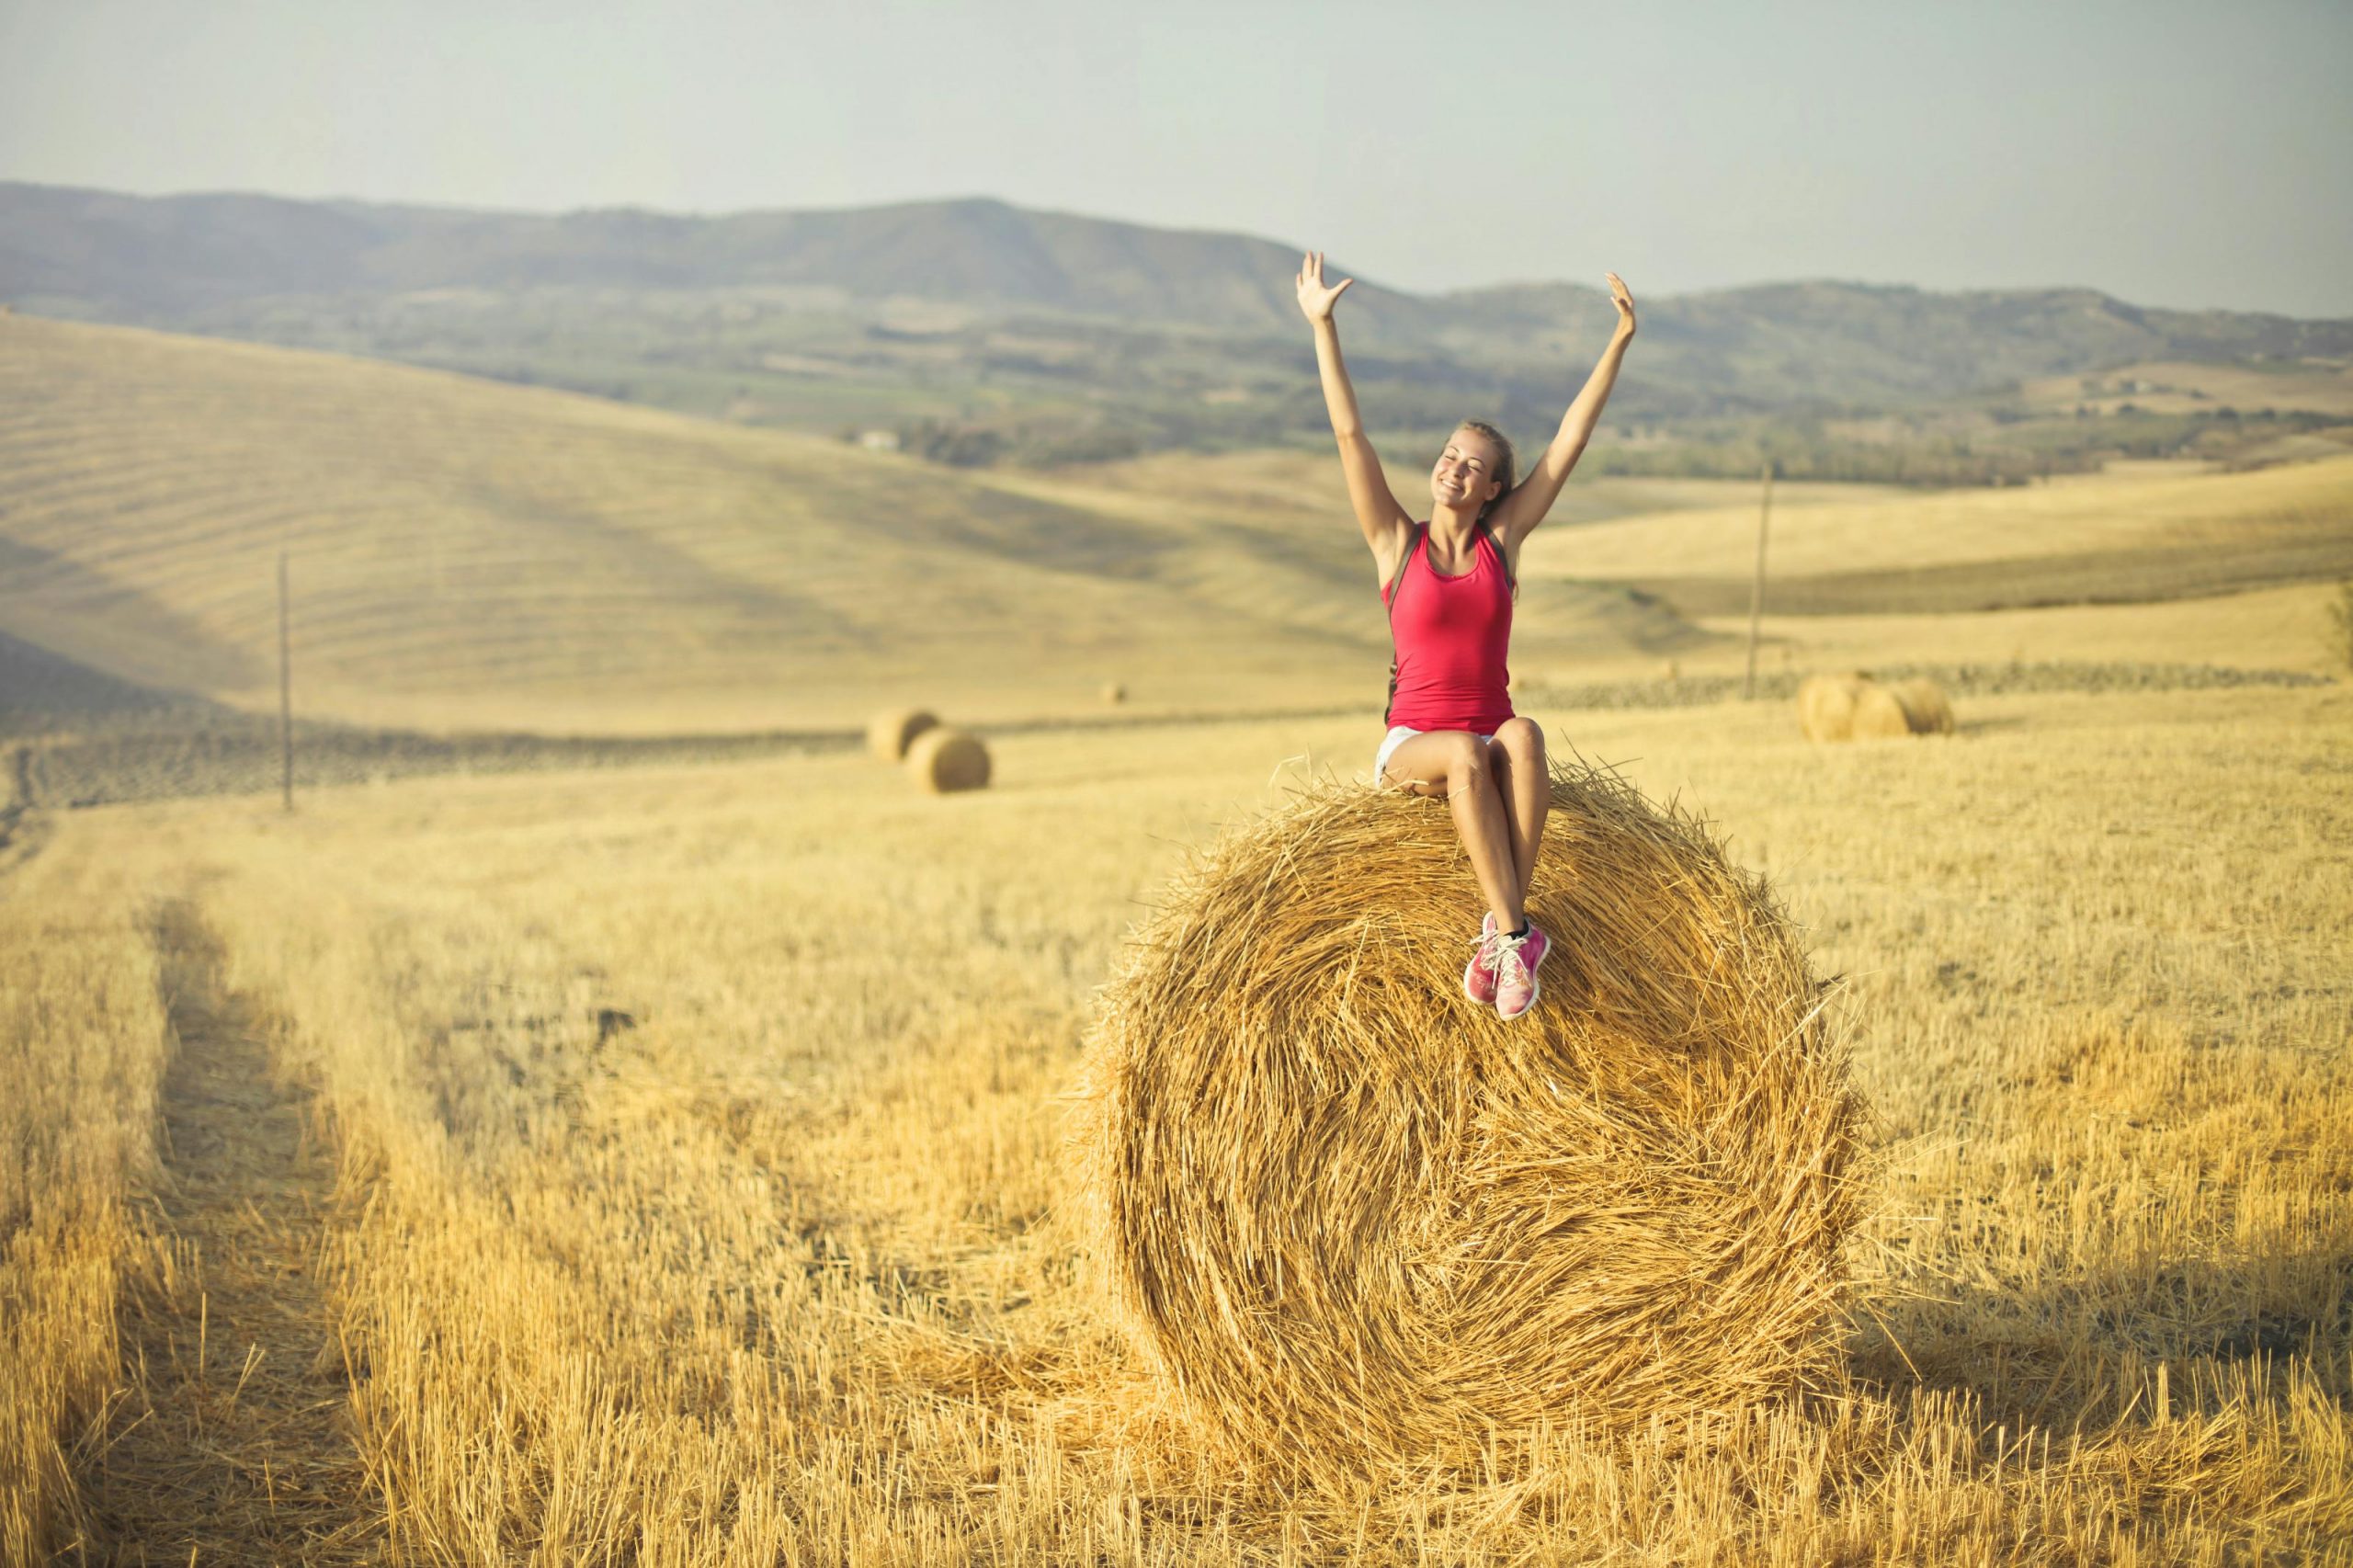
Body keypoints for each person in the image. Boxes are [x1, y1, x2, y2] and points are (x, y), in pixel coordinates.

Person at [1296, 250, 1636, 1020]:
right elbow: (1351, 436)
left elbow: (1569, 445)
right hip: (1415, 741)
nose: (1453, 469)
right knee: (1462, 752)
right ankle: (1514, 931)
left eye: (1472, 466)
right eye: (1449, 456)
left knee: (1522, 734)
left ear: (1493, 490)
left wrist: (1618, 340)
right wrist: (1324, 328)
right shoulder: (1396, 543)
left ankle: (1501, 936)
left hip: (1487, 735)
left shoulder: (1501, 545)